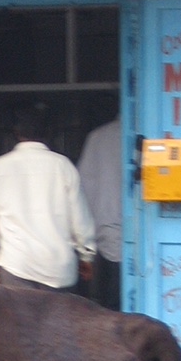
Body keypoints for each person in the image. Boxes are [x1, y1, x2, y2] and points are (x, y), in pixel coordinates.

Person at [0, 104, 96, 291]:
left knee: (19, 312)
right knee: (57, 312)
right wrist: (86, 255)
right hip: (58, 268)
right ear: (49, 132)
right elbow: (80, 218)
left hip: (16, 264)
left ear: (16, 132)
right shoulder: (63, 166)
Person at [77, 116, 122, 310]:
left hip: (105, 231)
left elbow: (83, 190)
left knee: (109, 305)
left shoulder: (98, 137)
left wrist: (84, 245)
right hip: (144, 236)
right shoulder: (154, 133)